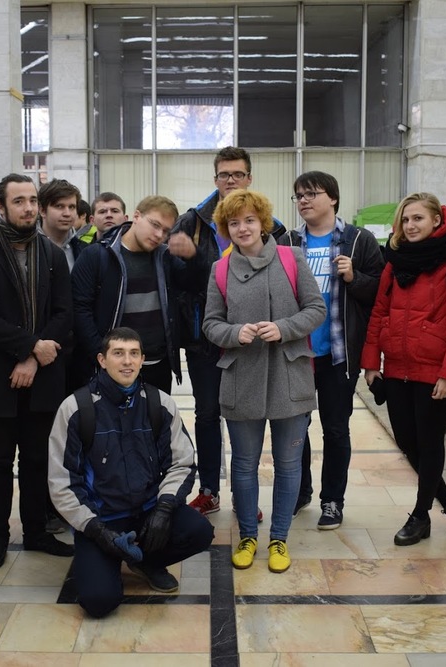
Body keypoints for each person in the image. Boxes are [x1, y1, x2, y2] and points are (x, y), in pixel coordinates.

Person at [48, 327, 213, 618]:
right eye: (118, 353)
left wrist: (164, 509)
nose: (127, 361)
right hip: (102, 520)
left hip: (147, 513)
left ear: (142, 359)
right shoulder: (75, 409)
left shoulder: (160, 404)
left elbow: (182, 463)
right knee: (99, 602)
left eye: (134, 354)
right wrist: (97, 531)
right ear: (102, 360)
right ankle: (111, 557)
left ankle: (146, 561)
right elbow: (62, 483)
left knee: (199, 531)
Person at [202, 189, 325, 574]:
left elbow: (316, 309)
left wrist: (284, 328)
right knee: (243, 465)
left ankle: (279, 538)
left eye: (249, 220)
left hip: (290, 377)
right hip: (242, 379)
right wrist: (233, 333)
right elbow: (210, 323)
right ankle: (248, 537)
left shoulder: (292, 258)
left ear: (263, 222)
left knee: (289, 465)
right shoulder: (220, 270)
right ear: (226, 229)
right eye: (234, 223)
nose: (242, 228)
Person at [0, 173, 75, 569]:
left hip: (42, 371)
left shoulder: (52, 255)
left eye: (32, 201)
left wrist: (33, 357)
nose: (27, 208)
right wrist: (28, 347)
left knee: (37, 459)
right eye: (18, 201)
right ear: (0, 206)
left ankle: (37, 531)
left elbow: (64, 313)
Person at [169, 146, 286, 518]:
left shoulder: (272, 225)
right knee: (207, 415)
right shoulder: (193, 221)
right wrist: (189, 259)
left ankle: (243, 495)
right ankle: (208, 490)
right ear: (215, 178)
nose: (231, 180)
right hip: (206, 338)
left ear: (249, 178)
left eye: (238, 174)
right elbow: (176, 279)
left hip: (251, 342)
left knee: (245, 418)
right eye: (224, 174)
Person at [361, 192, 446, 547]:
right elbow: (379, 312)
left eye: (418, 219)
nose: (410, 226)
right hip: (397, 367)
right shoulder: (394, 261)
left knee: (428, 441)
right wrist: (371, 363)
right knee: (408, 442)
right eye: (405, 220)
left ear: (436, 220)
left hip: (436, 371)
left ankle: (421, 515)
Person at [280, 171, 384, 529]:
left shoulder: (359, 240)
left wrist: (355, 278)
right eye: (299, 195)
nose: (304, 201)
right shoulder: (288, 241)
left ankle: (332, 500)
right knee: (295, 429)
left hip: (338, 354)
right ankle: (300, 492)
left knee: (336, 429)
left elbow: (379, 293)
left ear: (333, 198)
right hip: (297, 354)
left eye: (312, 193)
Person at [71, 195, 203, 393]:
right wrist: (102, 355)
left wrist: (193, 257)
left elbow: (194, 285)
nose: (159, 235)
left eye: (166, 231)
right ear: (137, 216)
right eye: (155, 225)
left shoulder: (165, 256)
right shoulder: (97, 255)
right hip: (112, 368)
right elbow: (81, 310)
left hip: (157, 365)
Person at [38, 178, 81, 270]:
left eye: (72, 207)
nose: (67, 213)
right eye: (59, 206)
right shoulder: (26, 248)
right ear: (42, 211)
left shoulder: (84, 250)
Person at [71, 192, 129, 259]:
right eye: (102, 212)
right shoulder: (81, 253)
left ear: (125, 219)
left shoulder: (135, 250)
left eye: (115, 211)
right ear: (92, 220)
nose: (109, 215)